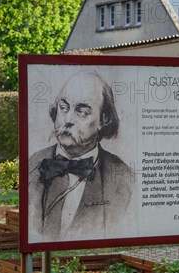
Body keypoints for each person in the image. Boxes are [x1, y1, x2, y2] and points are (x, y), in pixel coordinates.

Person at [28, 71, 135, 242]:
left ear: (104, 119)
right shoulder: (32, 164)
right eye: (63, 108)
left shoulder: (124, 178)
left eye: (82, 111)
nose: (67, 119)